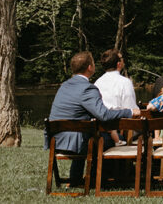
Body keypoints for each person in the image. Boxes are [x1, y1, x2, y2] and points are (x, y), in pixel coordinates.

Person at [46, 51, 139, 187]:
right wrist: (129, 111)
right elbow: (104, 115)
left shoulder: (64, 86)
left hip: (56, 140)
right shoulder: (88, 88)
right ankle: (103, 179)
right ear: (90, 67)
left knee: (94, 134)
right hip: (76, 143)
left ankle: (76, 180)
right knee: (109, 139)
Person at [94, 49, 139, 147]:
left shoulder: (97, 83)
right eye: (122, 59)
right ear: (119, 64)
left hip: (102, 129)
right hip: (121, 128)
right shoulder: (125, 82)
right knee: (145, 130)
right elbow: (131, 110)